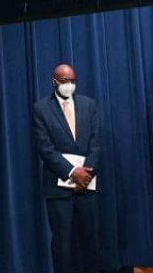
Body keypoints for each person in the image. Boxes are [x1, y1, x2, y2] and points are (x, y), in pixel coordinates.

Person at [33, 64, 102, 273]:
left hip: (87, 187)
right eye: (64, 81)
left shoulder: (89, 105)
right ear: (54, 82)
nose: (68, 85)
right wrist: (73, 173)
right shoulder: (41, 108)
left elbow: (96, 143)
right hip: (58, 190)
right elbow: (45, 148)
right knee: (62, 245)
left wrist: (85, 175)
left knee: (91, 243)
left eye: (72, 81)